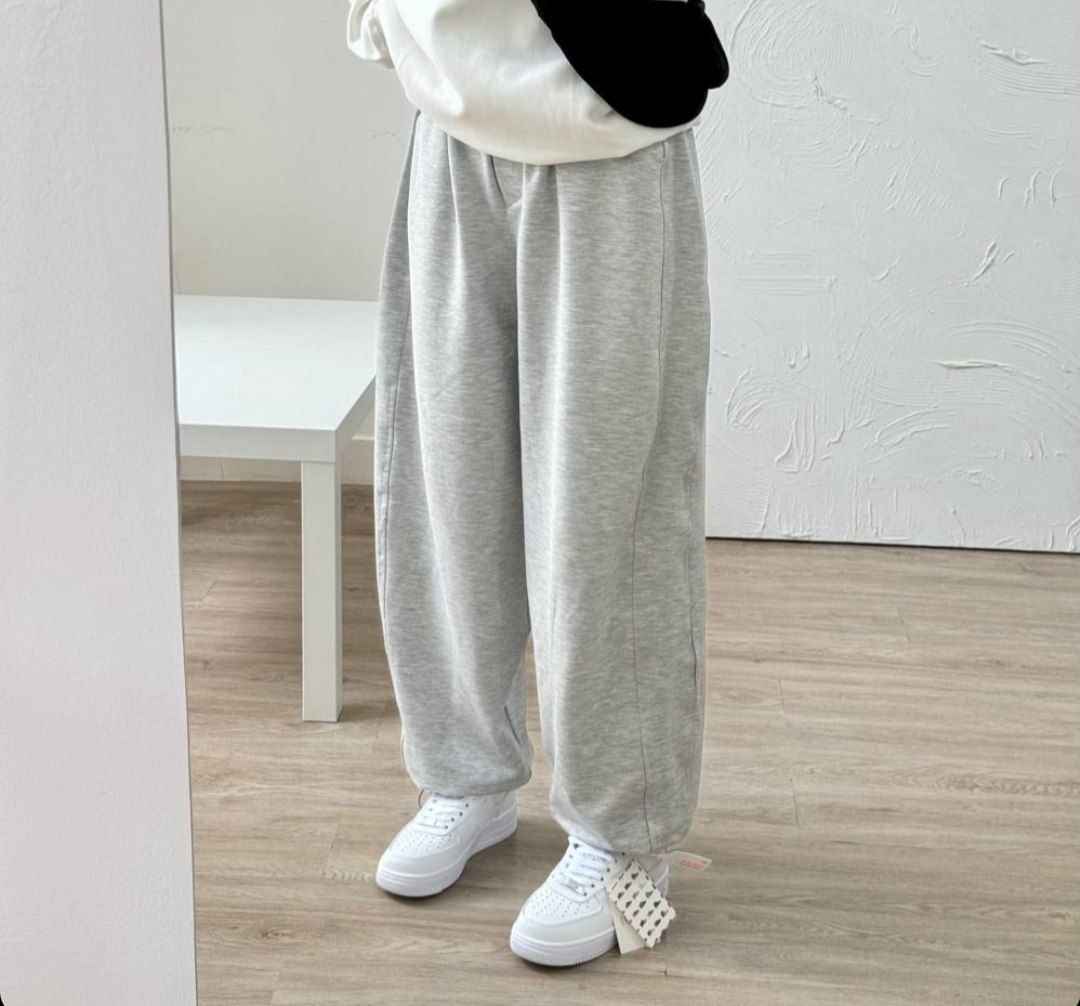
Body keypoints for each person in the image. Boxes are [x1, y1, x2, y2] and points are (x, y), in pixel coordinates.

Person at [346, 0, 726, 968]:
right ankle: (465, 772)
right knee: (446, 486)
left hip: (604, 129)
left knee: (605, 516)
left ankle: (625, 833)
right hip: (450, 121)